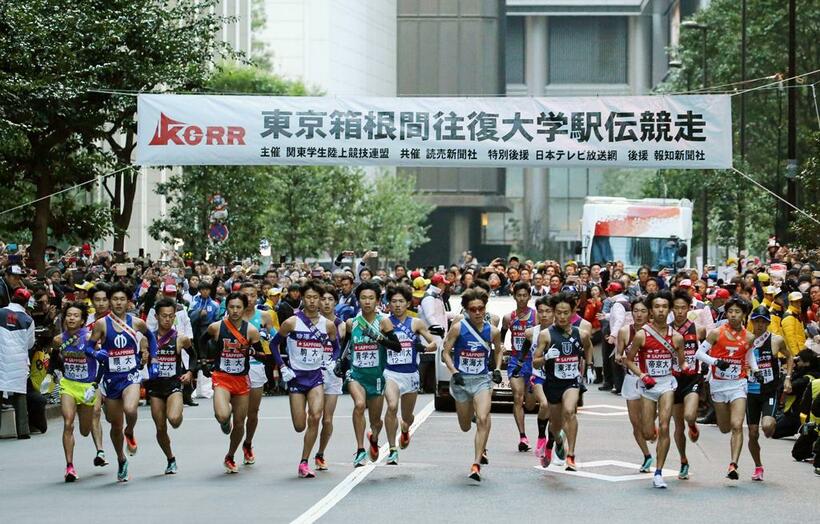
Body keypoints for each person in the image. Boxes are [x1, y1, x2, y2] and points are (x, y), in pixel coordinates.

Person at [268, 280, 339, 478]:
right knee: (300, 425)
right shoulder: (291, 322)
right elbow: (274, 345)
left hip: (316, 376)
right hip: (296, 378)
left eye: (316, 297)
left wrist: (332, 361)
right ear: (302, 298)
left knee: (316, 417)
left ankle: (304, 461)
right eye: (309, 297)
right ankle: (305, 457)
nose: (313, 301)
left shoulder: (329, 325)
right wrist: (282, 367)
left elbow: (336, 347)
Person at [84, 283, 153, 482]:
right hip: (111, 377)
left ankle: (130, 432)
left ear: (128, 301)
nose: (119, 303)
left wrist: (151, 356)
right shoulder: (102, 324)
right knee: (115, 425)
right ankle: (121, 459)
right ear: (110, 301)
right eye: (115, 299)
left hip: (130, 376)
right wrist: (97, 353)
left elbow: (150, 337)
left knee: (131, 410)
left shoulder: (137, 322)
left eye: (122, 299)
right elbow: (88, 348)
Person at [335, 281, 403, 467]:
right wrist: (340, 362)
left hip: (377, 377)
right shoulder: (352, 323)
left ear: (378, 301)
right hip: (356, 374)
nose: (367, 302)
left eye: (371, 298)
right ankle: (359, 450)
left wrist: (378, 337)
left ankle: (373, 438)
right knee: (359, 405)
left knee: (376, 421)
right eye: (363, 298)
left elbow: (397, 347)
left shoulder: (384, 321)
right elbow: (346, 347)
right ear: (358, 300)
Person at [626, 291, 687, 489]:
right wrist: (642, 375)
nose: (661, 310)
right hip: (647, 386)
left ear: (668, 310)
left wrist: (684, 366)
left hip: (666, 385)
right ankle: (650, 432)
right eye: (657, 307)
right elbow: (629, 359)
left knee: (664, 426)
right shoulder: (642, 334)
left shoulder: (677, 337)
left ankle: (659, 472)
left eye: (664, 307)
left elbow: (681, 363)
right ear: (652, 310)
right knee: (646, 432)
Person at [696, 297, 761, 480]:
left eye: (737, 312)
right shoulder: (716, 333)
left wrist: (756, 371)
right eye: (730, 311)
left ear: (744, 315)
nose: (733, 315)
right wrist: (716, 362)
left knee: (737, 425)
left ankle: (733, 464)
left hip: (738, 384)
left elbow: (749, 356)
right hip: (718, 384)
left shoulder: (749, 337)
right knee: (724, 428)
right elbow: (699, 353)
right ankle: (722, 426)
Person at [441, 287, 503, 481]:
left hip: (482, 381)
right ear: (466, 310)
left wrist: (498, 369)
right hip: (461, 382)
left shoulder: (492, 330)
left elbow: (499, 350)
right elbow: (445, 351)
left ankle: (476, 463)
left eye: (481, 308)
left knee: (484, 418)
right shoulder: (459, 328)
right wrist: (454, 371)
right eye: (473, 309)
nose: (477, 312)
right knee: (465, 425)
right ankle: (474, 420)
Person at [533, 292, 593, 472]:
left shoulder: (581, 333)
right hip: (552, 383)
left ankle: (571, 455)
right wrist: (545, 357)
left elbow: (588, 347)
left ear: (572, 312)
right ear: (553, 312)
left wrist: (589, 366)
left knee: (570, 411)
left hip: (572, 381)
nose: (562, 316)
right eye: (558, 312)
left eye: (566, 312)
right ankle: (558, 441)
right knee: (556, 425)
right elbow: (535, 361)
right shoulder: (545, 335)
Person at [203, 292, 262, 474]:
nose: (235, 311)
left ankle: (230, 455)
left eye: (238, 307)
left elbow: (261, 354)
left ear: (244, 308)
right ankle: (223, 421)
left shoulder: (251, 330)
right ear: (226, 308)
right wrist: (205, 361)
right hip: (222, 377)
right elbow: (201, 340)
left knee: (239, 423)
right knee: (222, 415)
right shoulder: (217, 327)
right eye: (231, 307)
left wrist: (251, 351)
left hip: (241, 380)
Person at [383, 284, 438, 465]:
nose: (397, 305)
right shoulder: (384, 322)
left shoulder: (416, 323)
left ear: (408, 303)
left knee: (406, 417)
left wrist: (422, 347)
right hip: (391, 373)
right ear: (389, 304)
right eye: (394, 302)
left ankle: (405, 429)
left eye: (401, 301)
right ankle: (392, 449)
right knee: (391, 407)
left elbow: (433, 343)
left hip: (411, 375)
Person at [143, 298, 196, 475]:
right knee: (160, 428)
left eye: (170, 316)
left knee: (173, 420)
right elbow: (140, 360)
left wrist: (189, 372)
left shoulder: (180, 339)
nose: (167, 319)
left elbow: (194, 356)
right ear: (156, 317)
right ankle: (170, 459)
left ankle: (178, 412)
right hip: (155, 388)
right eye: (163, 316)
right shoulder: (147, 339)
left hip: (174, 384)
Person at [51, 302, 98, 481]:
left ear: (83, 320)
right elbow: (55, 358)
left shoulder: (90, 338)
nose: (71, 318)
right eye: (69, 315)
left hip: (86, 387)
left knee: (85, 430)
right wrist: (50, 375)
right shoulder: (58, 340)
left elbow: (102, 358)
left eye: (76, 315)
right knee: (68, 423)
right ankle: (69, 466)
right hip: (68, 385)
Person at [746, 305, 793, 481]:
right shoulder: (746, 339)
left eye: (763, 322)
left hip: (769, 391)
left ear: (767, 323)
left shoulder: (776, 340)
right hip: (750, 392)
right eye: (756, 321)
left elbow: (789, 356)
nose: (759, 325)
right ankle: (758, 467)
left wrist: (788, 377)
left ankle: (770, 425)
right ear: (752, 322)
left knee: (766, 427)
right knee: (752, 433)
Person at [669, 290, 706, 480]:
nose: (680, 312)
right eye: (676, 308)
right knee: (677, 426)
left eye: (683, 308)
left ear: (689, 308)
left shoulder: (698, 329)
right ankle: (683, 460)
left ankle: (693, 424)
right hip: (673, 379)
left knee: (689, 415)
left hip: (692, 378)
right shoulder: (665, 330)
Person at [238, 281, 275, 466]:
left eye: (253, 295)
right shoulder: (232, 316)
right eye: (246, 295)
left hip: (256, 366)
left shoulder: (264, 316)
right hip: (234, 368)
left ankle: (248, 443)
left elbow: (276, 338)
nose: (250, 299)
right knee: (235, 412)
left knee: (252, 412)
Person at [614, 297, 654, 473]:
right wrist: (621, 358)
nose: (639, 315)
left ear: (649, 313)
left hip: (652, 382)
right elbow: (618, 354)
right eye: (635, 311)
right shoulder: (624, 331)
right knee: (635, 423)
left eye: (643, 311)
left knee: (648, 426)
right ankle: (646, 456)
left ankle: (653, 428)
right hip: (632, 380)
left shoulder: (655, 331)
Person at [501, 282, 538, 452]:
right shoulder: (509, 318)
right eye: (519, 295)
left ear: (529, 297)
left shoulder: (536, 316)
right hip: (515, 361)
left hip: (533, 361)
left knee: (530, 404)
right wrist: (501, 345)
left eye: (525, 295)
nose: (522, 298)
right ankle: (522, 436)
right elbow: (502, 334)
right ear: (514, 296)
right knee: (517, 397)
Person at [315, 285, 346, 471]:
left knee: (327, 420)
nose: (326, 303)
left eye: (330, 299)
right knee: (314, 416)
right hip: (313, 373)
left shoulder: (341, 325)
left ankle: (320, 453)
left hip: (333, 374)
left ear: (335, 302)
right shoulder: (310, 322)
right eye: (323, 299)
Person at [0, 288, 35, 439]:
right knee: (20, 395)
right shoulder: (28, 320)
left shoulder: (0, 312)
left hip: (1, 358)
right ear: (26, 303)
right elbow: (30, 344)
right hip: (18, 361)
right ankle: (23, 431)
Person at [521, 296, 553, 461]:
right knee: (545, 404)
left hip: (557, 377)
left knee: (556, 413)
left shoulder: (562, 332)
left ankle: (551, 444)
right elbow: (525, 349)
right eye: (541, 311)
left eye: (548, 311)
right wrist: (520, 363)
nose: (544, 315)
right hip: (538, 375)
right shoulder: (530, 332)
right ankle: (542, 436)